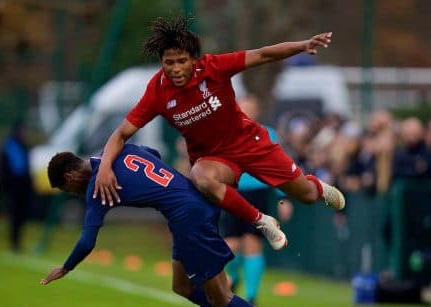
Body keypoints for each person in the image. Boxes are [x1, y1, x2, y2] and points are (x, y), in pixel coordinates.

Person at [40, 144, 307, 307]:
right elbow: (152, 153)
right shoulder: (117, 151)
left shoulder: (98, 186)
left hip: (189, 217)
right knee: (182, 286)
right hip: (187, 207)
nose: (74, 193)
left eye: (69, 189)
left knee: (222, 297)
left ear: (71, 175)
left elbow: (87, 241)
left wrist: (65, 267)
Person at [94, 15, 345, 253]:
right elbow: (121, 133)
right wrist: (105, 166)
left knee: (308, 196)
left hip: (251, 144)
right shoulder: (157, 92)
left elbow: (263, 54)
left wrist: (303, 45)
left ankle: (317, 186)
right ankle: (261, 221)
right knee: (201, 177)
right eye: (168, 63)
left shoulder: (213, 67)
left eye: (182, 61)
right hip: (215, 159)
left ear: (194, 59)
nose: (176, 69)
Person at [219, 94, 290, 305]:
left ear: (257, 112)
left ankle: (251, 296)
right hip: (233, 193)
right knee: (230, 245)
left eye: (250, 108)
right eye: (243, 108)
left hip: (259, 193)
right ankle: (234, 274)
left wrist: (283, 199)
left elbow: (280, 167)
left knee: (252, 243)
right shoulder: (226, 134)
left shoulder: (268, 134)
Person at [0, 120, 32, 252]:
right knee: (14, 215)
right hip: (13, 187)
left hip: (23, 186)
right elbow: (6, 168)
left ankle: (17, 242)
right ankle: (14, 243)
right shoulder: (9, 146)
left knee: (21, 215)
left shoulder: (24, 146)